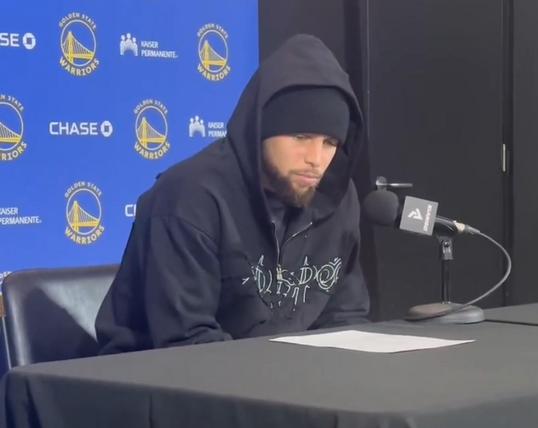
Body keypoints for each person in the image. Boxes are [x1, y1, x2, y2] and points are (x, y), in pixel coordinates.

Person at [95, 34, 370, 354]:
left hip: (275, 374)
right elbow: (188, 342)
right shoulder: (189, 197)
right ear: (261, 129)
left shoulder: (336, 197)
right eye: (301, 136)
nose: (316, 158)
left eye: (330, 142)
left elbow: (345, 318)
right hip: (150, 375)